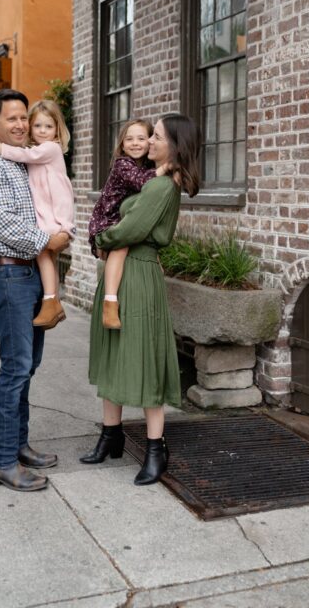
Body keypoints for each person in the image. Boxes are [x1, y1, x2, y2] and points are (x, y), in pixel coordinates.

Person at [80, 114, 201, 485]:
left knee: (144, 357)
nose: (148, 142)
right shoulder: (152, 181)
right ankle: (111, 436)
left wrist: (101, 240)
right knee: (114, 352)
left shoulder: (162, 187)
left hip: (140, 273)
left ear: (174, 146)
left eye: (157, 137)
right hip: (123, 272)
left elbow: (131, 229)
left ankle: (155, 448)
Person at [0, 89, 72, 492]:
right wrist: (52, 241)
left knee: (28, 366)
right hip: (7, 273)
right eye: (9, 118)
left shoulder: (21, 159)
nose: (18, 124)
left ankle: (18, 445)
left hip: (29, 272)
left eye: (22, 118)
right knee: (15, 366)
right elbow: (3, 225)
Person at [0, 99, 75, 329]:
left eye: (49, 127)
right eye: (38, 126)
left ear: (57, 130)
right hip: (46, 212)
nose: (43, 131)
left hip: (53, 212)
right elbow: (23, 153)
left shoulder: (49, 149)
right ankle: (53, 302)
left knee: (43, 252)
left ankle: (51, 301)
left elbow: (25, 156)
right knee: (47, 257)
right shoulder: (33, 150)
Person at [87, 119, 164, 330]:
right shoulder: (123, 164)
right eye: (129, 139)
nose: (135, 143)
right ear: (122, 144)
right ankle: (110, 302)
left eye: (141, 138)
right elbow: (140, 181)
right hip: (107, 220)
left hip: (124, 220)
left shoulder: (147, 166)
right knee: (121, 245)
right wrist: (166, 169)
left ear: (150, 141)